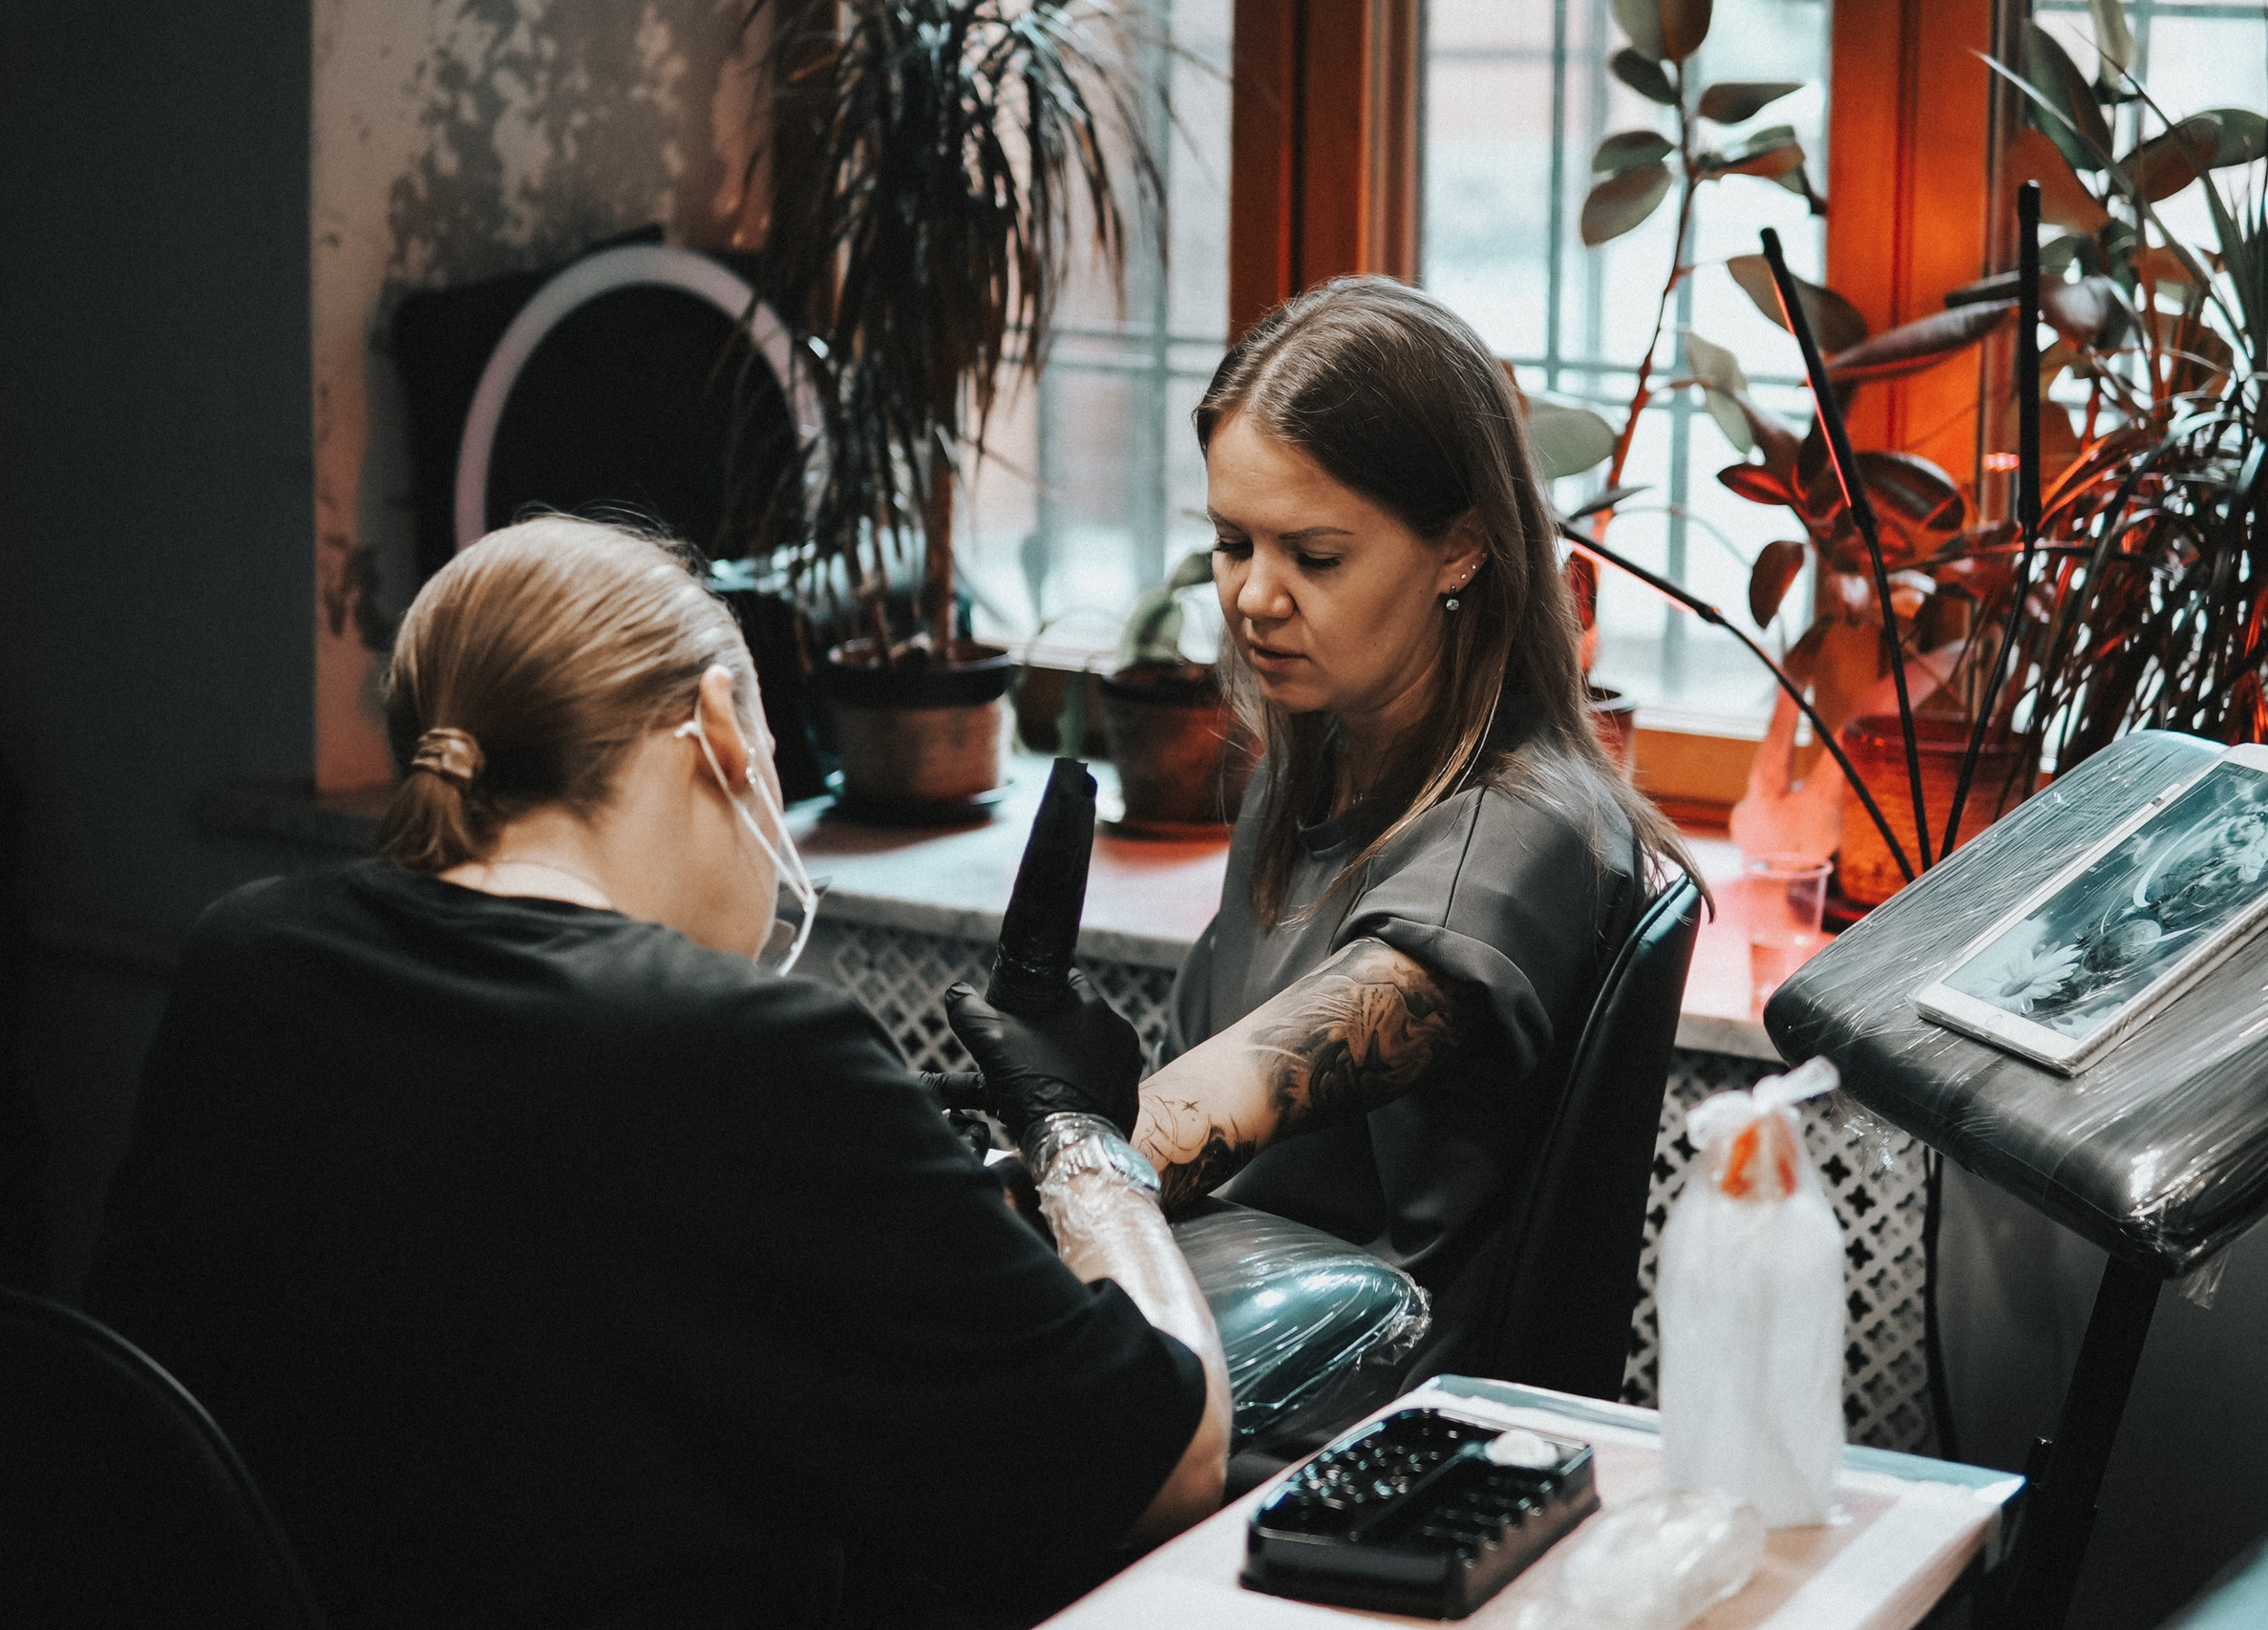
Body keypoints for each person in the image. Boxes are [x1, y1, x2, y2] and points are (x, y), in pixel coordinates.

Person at [83, 518, 1227, 1630]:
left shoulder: (248, 956)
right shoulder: (743, 1048)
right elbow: (1169, 1464)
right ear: (720, 724)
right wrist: (1079, 1135)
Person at [952, 278, 1698, 1376]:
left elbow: (1231, 1101)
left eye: (1314, 557)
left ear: (1461, 549)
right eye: (1231, 542)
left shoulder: (1519, 835)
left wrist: (1056, 1136)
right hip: (1220, 1321)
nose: (1254, 597)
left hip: (1361, 1408)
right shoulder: (1307, 766)